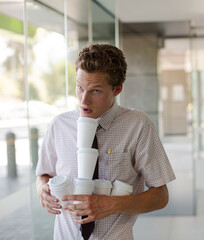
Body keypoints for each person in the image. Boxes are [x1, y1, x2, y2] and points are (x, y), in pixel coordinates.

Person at [36, 43, 176, 240]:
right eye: (80, 87)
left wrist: (109, 204)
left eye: (95, 91)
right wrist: (42, 190)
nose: (84, 100)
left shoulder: (138, 125)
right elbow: (44, 174)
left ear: (117, 89)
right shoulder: (59, 125)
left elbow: (161, 196)